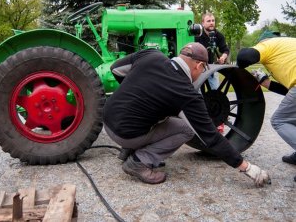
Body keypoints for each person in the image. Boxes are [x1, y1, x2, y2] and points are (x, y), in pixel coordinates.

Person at [103, 42, 270, 186]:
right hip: (125, 134)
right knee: (185, 129)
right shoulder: (186, 92)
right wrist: (247, 168)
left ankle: (128, 149)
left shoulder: (151, 54)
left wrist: (133, 95)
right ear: (199, 66)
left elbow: (115, 68)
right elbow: (211, 137)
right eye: (203, 69)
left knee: (163, 116)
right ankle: (139, 161)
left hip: (108, 119)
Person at [237, 30, 296, 182]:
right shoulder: (289, 45)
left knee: (279, 120)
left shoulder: (268, 45)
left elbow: (245, 56)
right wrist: (266, 82)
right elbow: (289, 91)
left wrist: (239, 67)